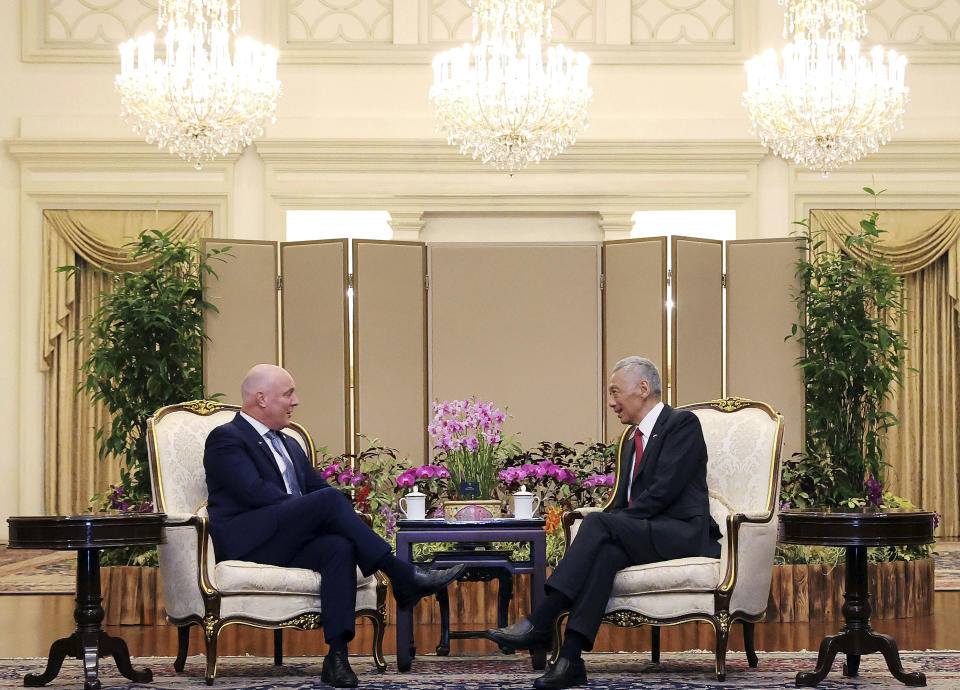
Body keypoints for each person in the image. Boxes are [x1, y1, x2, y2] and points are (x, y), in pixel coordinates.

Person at [204, 364, 465, 688]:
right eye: (288, 394)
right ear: (261, 398)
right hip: (249, 539)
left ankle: (337, 657)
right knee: (327, 502)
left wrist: (318, 515)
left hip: (287, 538)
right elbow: (254, 493)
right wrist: (312, 513)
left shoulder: (290, 445)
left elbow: (316, 491)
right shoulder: (226, 438)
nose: (295, 401)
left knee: (338, 547)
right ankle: (401, 575)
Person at [487, 356, 721, 689]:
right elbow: (627, 503)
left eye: (615, 392)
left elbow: (662, 494)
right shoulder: (630, 440)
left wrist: (612, 523)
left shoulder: (682, 425)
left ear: (643, 388)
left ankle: (542, 618)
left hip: (682, 532)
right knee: (607, 553)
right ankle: (570, 659)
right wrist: (616, 524)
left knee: (598, 525)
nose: (611, 402)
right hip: (645, 533)